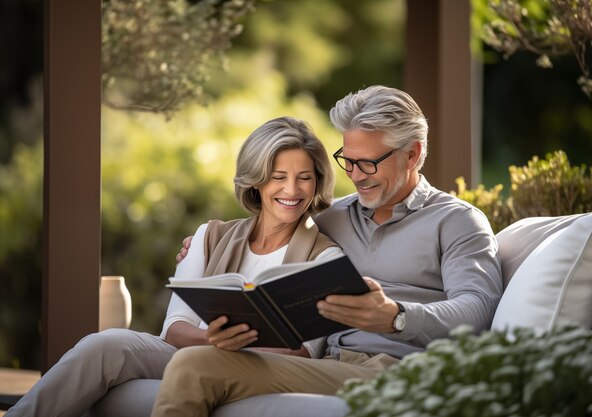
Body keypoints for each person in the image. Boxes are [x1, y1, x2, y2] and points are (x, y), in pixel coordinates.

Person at [152, 85, 503, 416]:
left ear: (412, 154)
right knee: (192, 362)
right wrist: (203, 243)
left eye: (368, 163)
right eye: (347, 161)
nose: (355, 175)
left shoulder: (457, 221)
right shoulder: (331, 218)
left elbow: (478, 308)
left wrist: (396, 317)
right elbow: (270, 221)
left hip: (402, 369)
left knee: (194, 364)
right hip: (324, 366)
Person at [6, 116, 342, 417]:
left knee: (196, 363)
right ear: (256, 180)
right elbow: (174, 330)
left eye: (304, 178)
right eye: (278, 177)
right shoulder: (209, 237)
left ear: (317, 183)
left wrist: (235, 347)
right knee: (105, 343)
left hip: (258, 370)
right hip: (195, 353)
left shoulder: (325, 258)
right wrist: (213, 340)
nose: (291, 190)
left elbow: (304, 351)